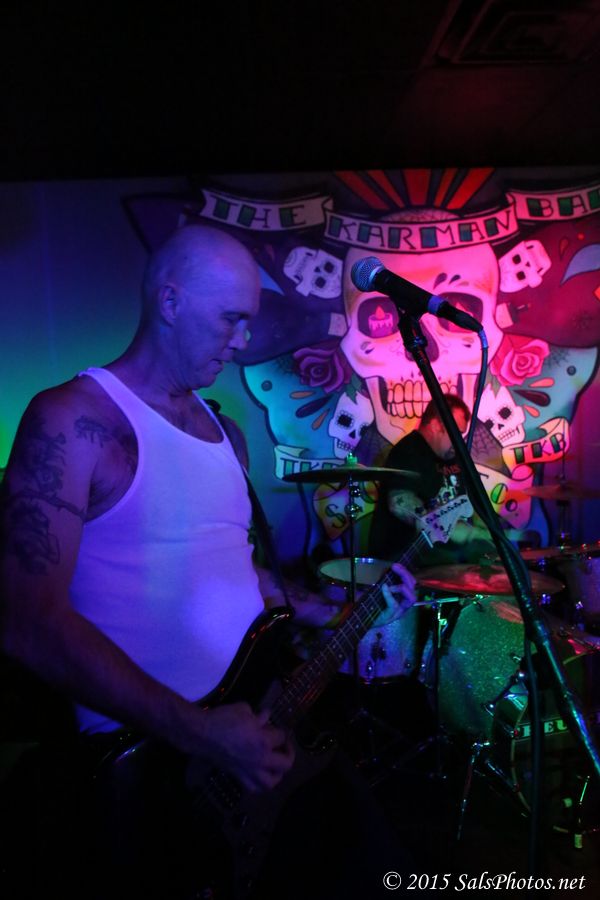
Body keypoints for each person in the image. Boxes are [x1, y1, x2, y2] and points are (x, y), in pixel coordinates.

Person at [0, 224, 417, 899]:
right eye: (231, 318)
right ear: (170, 301)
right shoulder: (74, 421)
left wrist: (332, 609)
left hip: (243, 736)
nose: (243, 340)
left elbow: (236, 570)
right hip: (149, 768)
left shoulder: (226, 432)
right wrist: (199, 732)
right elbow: (27, 623)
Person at [369, 394, 495, 568]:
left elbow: (474, 501)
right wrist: (444, 527)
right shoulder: (407, 451)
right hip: (408, 559)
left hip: (446, 558)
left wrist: (487, 530)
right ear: (436, 425)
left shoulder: (454, 456)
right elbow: (399, 502)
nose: (460, 440)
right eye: (456, 432)